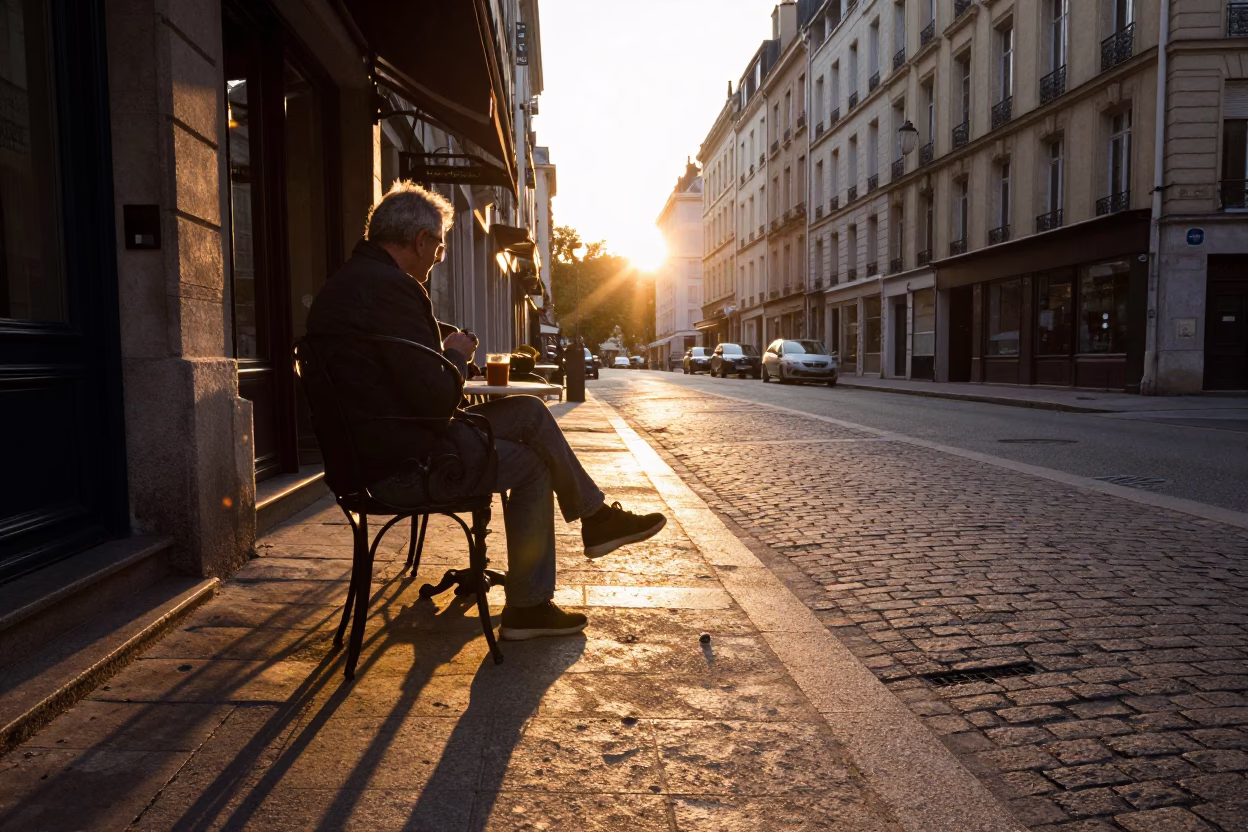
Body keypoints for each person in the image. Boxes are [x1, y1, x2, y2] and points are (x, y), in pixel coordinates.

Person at [306, 182, 666, 641]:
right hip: (401, 464)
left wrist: (443, 351)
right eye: (438, 247)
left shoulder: (353, 282)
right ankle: (531, 604)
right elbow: (438, 402)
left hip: (372, 450)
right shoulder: (394, 290)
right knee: (533, 466)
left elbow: (400, 367)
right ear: (420, 241)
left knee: (530, 412)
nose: (438, 259)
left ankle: (594, 521)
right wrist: (454, 355)